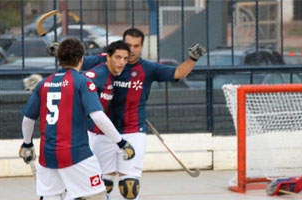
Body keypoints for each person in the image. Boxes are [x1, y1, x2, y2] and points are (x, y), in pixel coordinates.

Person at [81, 28, 206, 200]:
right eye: (128, 45)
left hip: (133, 131)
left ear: (142, 47)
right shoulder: (104, 61)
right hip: (102, 132)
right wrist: (59, 50)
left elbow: (178, 73)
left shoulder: (148, 68)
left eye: (136, 46)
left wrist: (193, 59)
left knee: (129, 187)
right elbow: (75, 62)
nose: (131, 50)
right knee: (104, 185)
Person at [18, 38, 135, 200]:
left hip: (47, 155)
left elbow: (28, 119)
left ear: (59, 59)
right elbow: (98, 117)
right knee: (99, 196)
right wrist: (121, 142)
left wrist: (27, 144)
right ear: (81, 59)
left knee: (51, 197)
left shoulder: (44, 83)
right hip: (76, 153)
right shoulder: (83, 82)